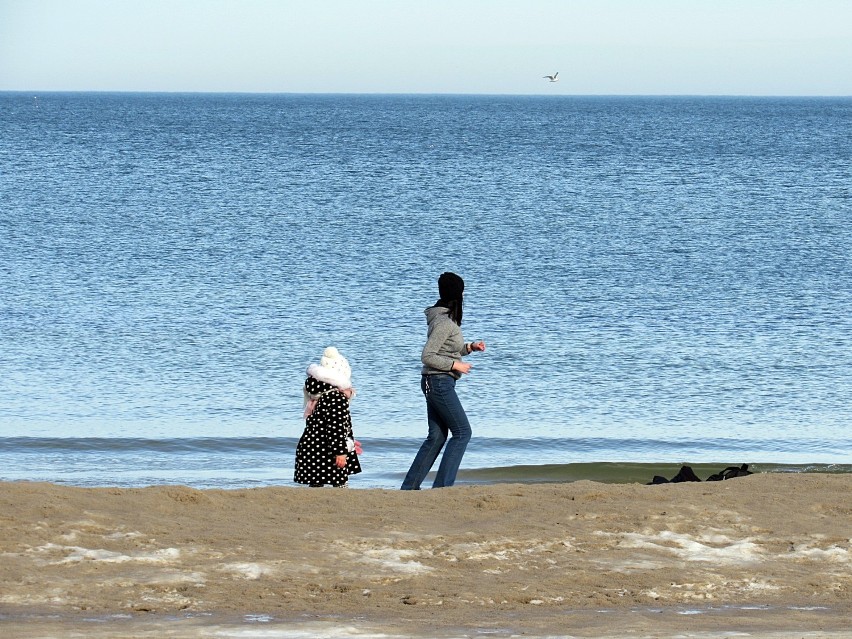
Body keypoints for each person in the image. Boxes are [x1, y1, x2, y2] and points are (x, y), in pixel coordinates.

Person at [401, 272, 485, 490]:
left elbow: (448, 349)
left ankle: (409, 488)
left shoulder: (444, 319)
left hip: (436, 382)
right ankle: (443, 488)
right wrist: (455, 365)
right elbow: (427, 356)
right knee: (463, 432)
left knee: (437, 437)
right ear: (458, 294)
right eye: (463, 291)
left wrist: (469, 348)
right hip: (438, 382)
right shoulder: (444, 322)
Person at [294, 346, 362, 488]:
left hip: (312, 449)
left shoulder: (318, 394)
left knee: (316, 485)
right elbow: (336, 427)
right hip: (328, 451)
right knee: (340, 484)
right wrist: (341, 452)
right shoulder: (336, 398)